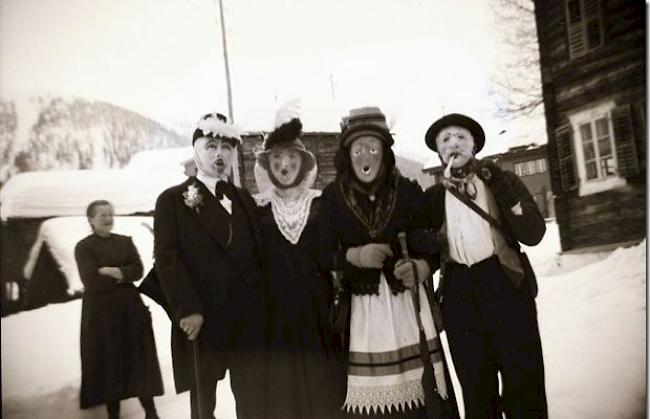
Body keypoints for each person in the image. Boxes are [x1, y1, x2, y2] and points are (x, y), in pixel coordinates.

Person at [318, 107, 459, 419]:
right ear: (347, 155)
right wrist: (355, 257)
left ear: (384, 153)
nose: (365, 156)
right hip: (362, 315)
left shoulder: (408, 192)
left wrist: (422, 268)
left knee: (425, 397)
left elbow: (431, 244)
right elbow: (320, 254)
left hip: (409, 308)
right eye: (357, 149)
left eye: (372, 148)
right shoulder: (332, 198)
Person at [423, 113, 548, 419]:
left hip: (505, 286)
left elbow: (533, 233)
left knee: (523, 380)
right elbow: (423, 250)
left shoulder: (502, 180)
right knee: (476, 387)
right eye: (446, 140)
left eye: (461, 137)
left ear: (475, 145)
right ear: (439, 152)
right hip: (459, 296)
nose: (454, 143)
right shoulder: (434, 197)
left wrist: (500, 186)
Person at [153, 113, 267, 419]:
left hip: (247, 321)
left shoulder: (242, 198)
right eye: (211, 146)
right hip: (203, 320)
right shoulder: (173, 200)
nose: (220, 154)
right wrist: (187, 309)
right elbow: (166, 258)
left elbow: (259, 254)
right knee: (204, 406)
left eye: (227, 148)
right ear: (196, 150)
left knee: (253, 399)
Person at [253, 100, 344, 418]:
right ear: (267, 166)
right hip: (274, 318)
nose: (284, 165)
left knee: (323, 390)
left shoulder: (321, 204)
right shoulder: (258, 209)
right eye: (276, 158)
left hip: (317, 312)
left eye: (291, 157)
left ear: (303, 163)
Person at [75, 199, 163, 419]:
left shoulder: (125, 242)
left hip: (130, 311)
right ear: (91, 220)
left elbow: (137, 270)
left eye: (110, 214)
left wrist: (112, 272)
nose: (108, 219)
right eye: (102, 215)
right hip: (101, 315)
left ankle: (150, 412)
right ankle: (113, 415)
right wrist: (122, 274)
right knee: (109, 361)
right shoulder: (84, 247)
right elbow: (91, 280)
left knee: (139, 359)